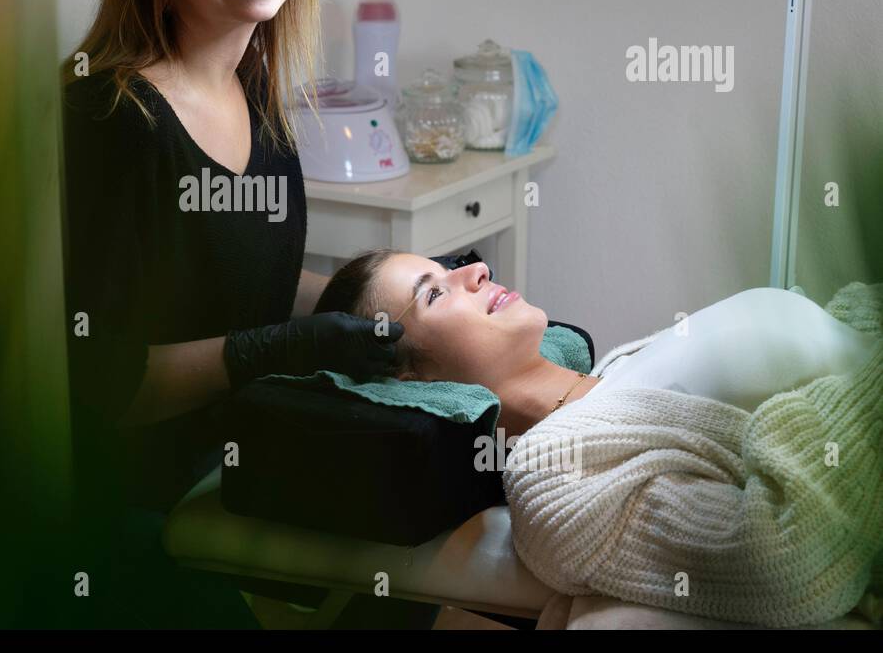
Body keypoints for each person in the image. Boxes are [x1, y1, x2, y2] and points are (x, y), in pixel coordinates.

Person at [60, 0, 402, 628]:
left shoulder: (259, 100)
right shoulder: (112, 120)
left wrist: (398, 298)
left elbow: (252, 277)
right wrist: (278, 347)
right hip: (133, 526)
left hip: (234, 476)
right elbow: (103, 378)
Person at [314, 247, 881, 437]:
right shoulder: (580, 455)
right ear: (412, 381)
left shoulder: (617, 372)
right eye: (433, 294)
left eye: (451, 267)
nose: (479, 269)